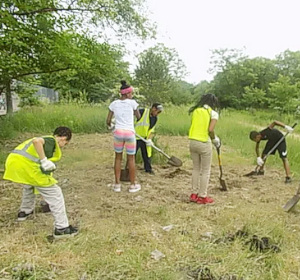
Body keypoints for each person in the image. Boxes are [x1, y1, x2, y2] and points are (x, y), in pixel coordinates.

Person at [3, 126, 78, 238]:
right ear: (63, 138)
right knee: (55, 194)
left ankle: (24, 212)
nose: (63, 146)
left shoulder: (47, 140)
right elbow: (36, 141)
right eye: (65, 143)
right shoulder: (51, 140)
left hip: (16, 163)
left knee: (29, 185)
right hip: (27, 166)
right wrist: (44, 161)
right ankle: (62, 228)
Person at [106, 80, 141, 193]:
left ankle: (117, 184)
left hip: (118, 133)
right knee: (131, 158)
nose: (132, 95)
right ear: (127, 94)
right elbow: (138, 116)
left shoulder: (114, 104)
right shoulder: (132, 103)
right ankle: (132, 185)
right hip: (129, 133)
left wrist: (112, 124)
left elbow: (108, 121)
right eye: (131, 93)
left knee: (118, 158)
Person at [188, 93, 220, 204]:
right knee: (205, 170)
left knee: (196, 168)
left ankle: (193, 194)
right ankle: (202, 196)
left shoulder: (196, 111)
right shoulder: (213, 113)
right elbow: (210, 130)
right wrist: (215, 139)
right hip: (204, 142)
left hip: (192, 141)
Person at [135, 103, 163, 175]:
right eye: (158, 111)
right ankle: (128, 169)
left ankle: (148, 169)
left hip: (145, 138)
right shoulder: (142, 112)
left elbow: (151, 130)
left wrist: (149, 139)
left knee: (147, 154)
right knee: (132, 154)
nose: (158, 114)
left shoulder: (154, 119)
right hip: (135, 137)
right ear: (153, 108)